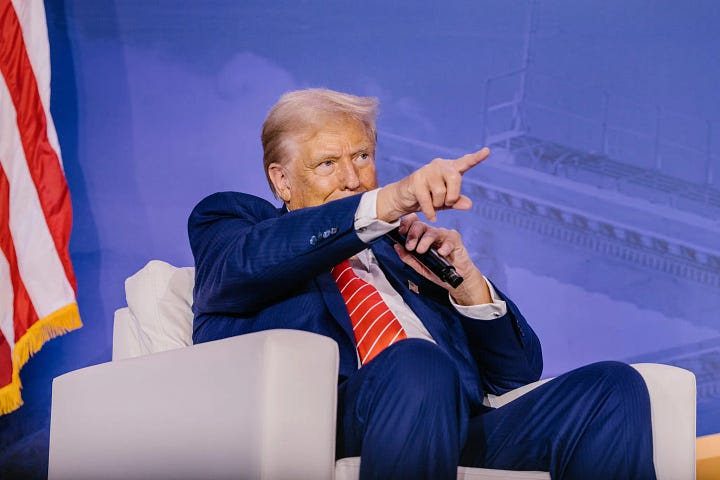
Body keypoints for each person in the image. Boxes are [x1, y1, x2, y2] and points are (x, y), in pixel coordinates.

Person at [189, 88, 655, 479]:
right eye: (328, 164)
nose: (353, 179)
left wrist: (468, 286)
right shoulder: (232, 222)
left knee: (612, 388)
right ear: (282, 180)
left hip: (452, 421)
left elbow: (516, 376)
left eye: (363, 156)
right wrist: (390, 200)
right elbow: (244, 265)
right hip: (327, 419)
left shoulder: (405, 251)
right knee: (418, 363)